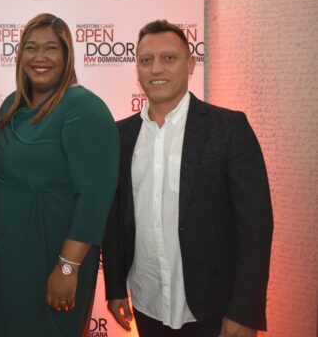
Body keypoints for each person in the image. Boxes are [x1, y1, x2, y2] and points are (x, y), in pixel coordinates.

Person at [102, 20, 273, 337]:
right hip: (147, 302)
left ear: (190, 64)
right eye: (146, 60)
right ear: (137, 69)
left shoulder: (229, 129)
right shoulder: (119, 135)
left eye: (169, 58)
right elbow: (115, 220)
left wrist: (245, 311)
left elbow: (256, 227)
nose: (156, 68)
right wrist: (114, 287)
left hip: (215, 309)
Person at [0, 13, 120, 336]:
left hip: (49, 262)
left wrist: (67, 268)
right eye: (31, 47)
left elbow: (95, 195)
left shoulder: (83, 107)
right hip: (1, 264)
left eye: (51, 48)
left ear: (67, 56)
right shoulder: (13, 104)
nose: (39, 57)